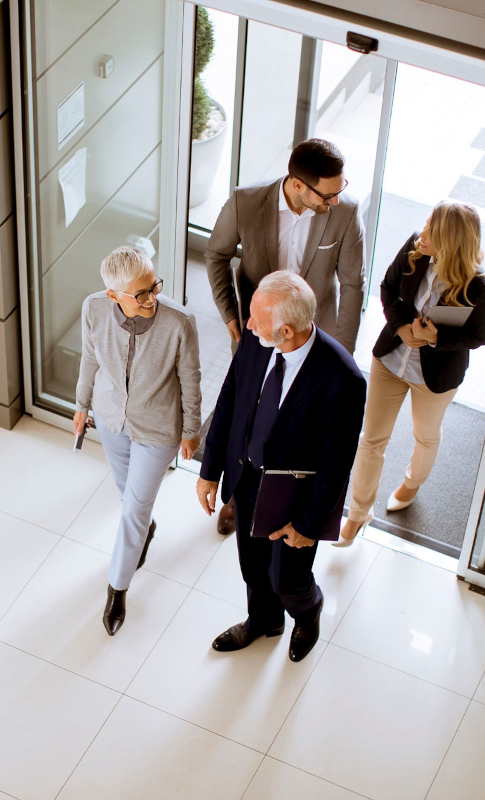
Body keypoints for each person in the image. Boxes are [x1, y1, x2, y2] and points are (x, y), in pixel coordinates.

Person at [195, 272, 365, 662]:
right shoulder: (256, 343)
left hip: (294, 497)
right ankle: (265, 622)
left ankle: (308, 612)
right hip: (248, 478)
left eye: (256, 318)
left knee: (287, 579)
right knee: (253, 568)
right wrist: (210, 468)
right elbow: (230, 401)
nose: (248, 324)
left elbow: (337, 464)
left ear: (286, 330)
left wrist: (307, 524)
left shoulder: (343, 380)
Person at [204, 138, 366, 535]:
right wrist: (230, 315)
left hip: (312, 339)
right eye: (327, 195)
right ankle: (238, 497)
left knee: (299, 424)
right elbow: (216, 255)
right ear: (297, 184)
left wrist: (339, 354)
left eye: (339, 191)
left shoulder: (345, 213)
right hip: (259, 333)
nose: (334, 201)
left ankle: (287, 499)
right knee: (247, 410)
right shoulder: (246, 202)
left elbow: (353, 284)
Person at [335, 201, 485, 546]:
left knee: (425, 434)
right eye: (425, 225)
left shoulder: (481, 288)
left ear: (451, 242)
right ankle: (358, 513)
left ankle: (411, 483)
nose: (421, 234)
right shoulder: (415, 248)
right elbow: (387, 289)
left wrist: (438, 338)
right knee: (371, 439)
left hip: (435, 376)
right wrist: (402, 325)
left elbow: (479, 336)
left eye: (431, 232)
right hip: (391, 360)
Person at [75, 246, 202, 636]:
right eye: (141, 294)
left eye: (154, 287)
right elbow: (89, 359)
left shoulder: (179, 323)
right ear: (114, 295)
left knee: (132, 510)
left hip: (159, 430)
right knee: (126, 495)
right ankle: (145, 532)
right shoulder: (94, 309)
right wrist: (82, 406)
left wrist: (192, 429)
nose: (152, 298)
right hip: (112, 420)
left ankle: (117, 590)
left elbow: (190, 380)